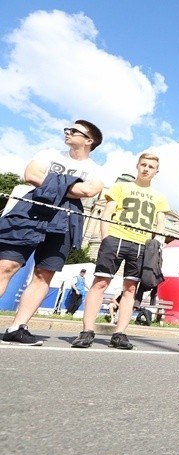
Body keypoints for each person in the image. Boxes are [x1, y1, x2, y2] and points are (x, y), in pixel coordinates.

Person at [0, 120, 104, 346]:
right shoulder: (49, 153)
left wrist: (50, 182)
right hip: (31, 210)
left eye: (75, 131)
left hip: (65, 219)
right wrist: (70, 186)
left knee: (44, 274)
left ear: (89, 140)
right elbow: (31, 174)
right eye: (69, 129)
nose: (68, 132)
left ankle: (18, 327)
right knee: (6, 266)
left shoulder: (96, 169)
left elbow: (89, 190)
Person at [71, 152, 170, 349]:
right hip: (116, 238)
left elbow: (160, 223)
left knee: (131, 289)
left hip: (141, 244)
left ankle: (120, 333)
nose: (146, 169)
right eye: (143, 164)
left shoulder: (159, 197)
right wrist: (106, 238)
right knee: (100, 283)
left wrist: (155, 243)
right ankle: (87, 331)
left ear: (156, 172)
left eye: (151, 166)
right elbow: (108, 212)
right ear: (137, 166)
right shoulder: (120, 187)